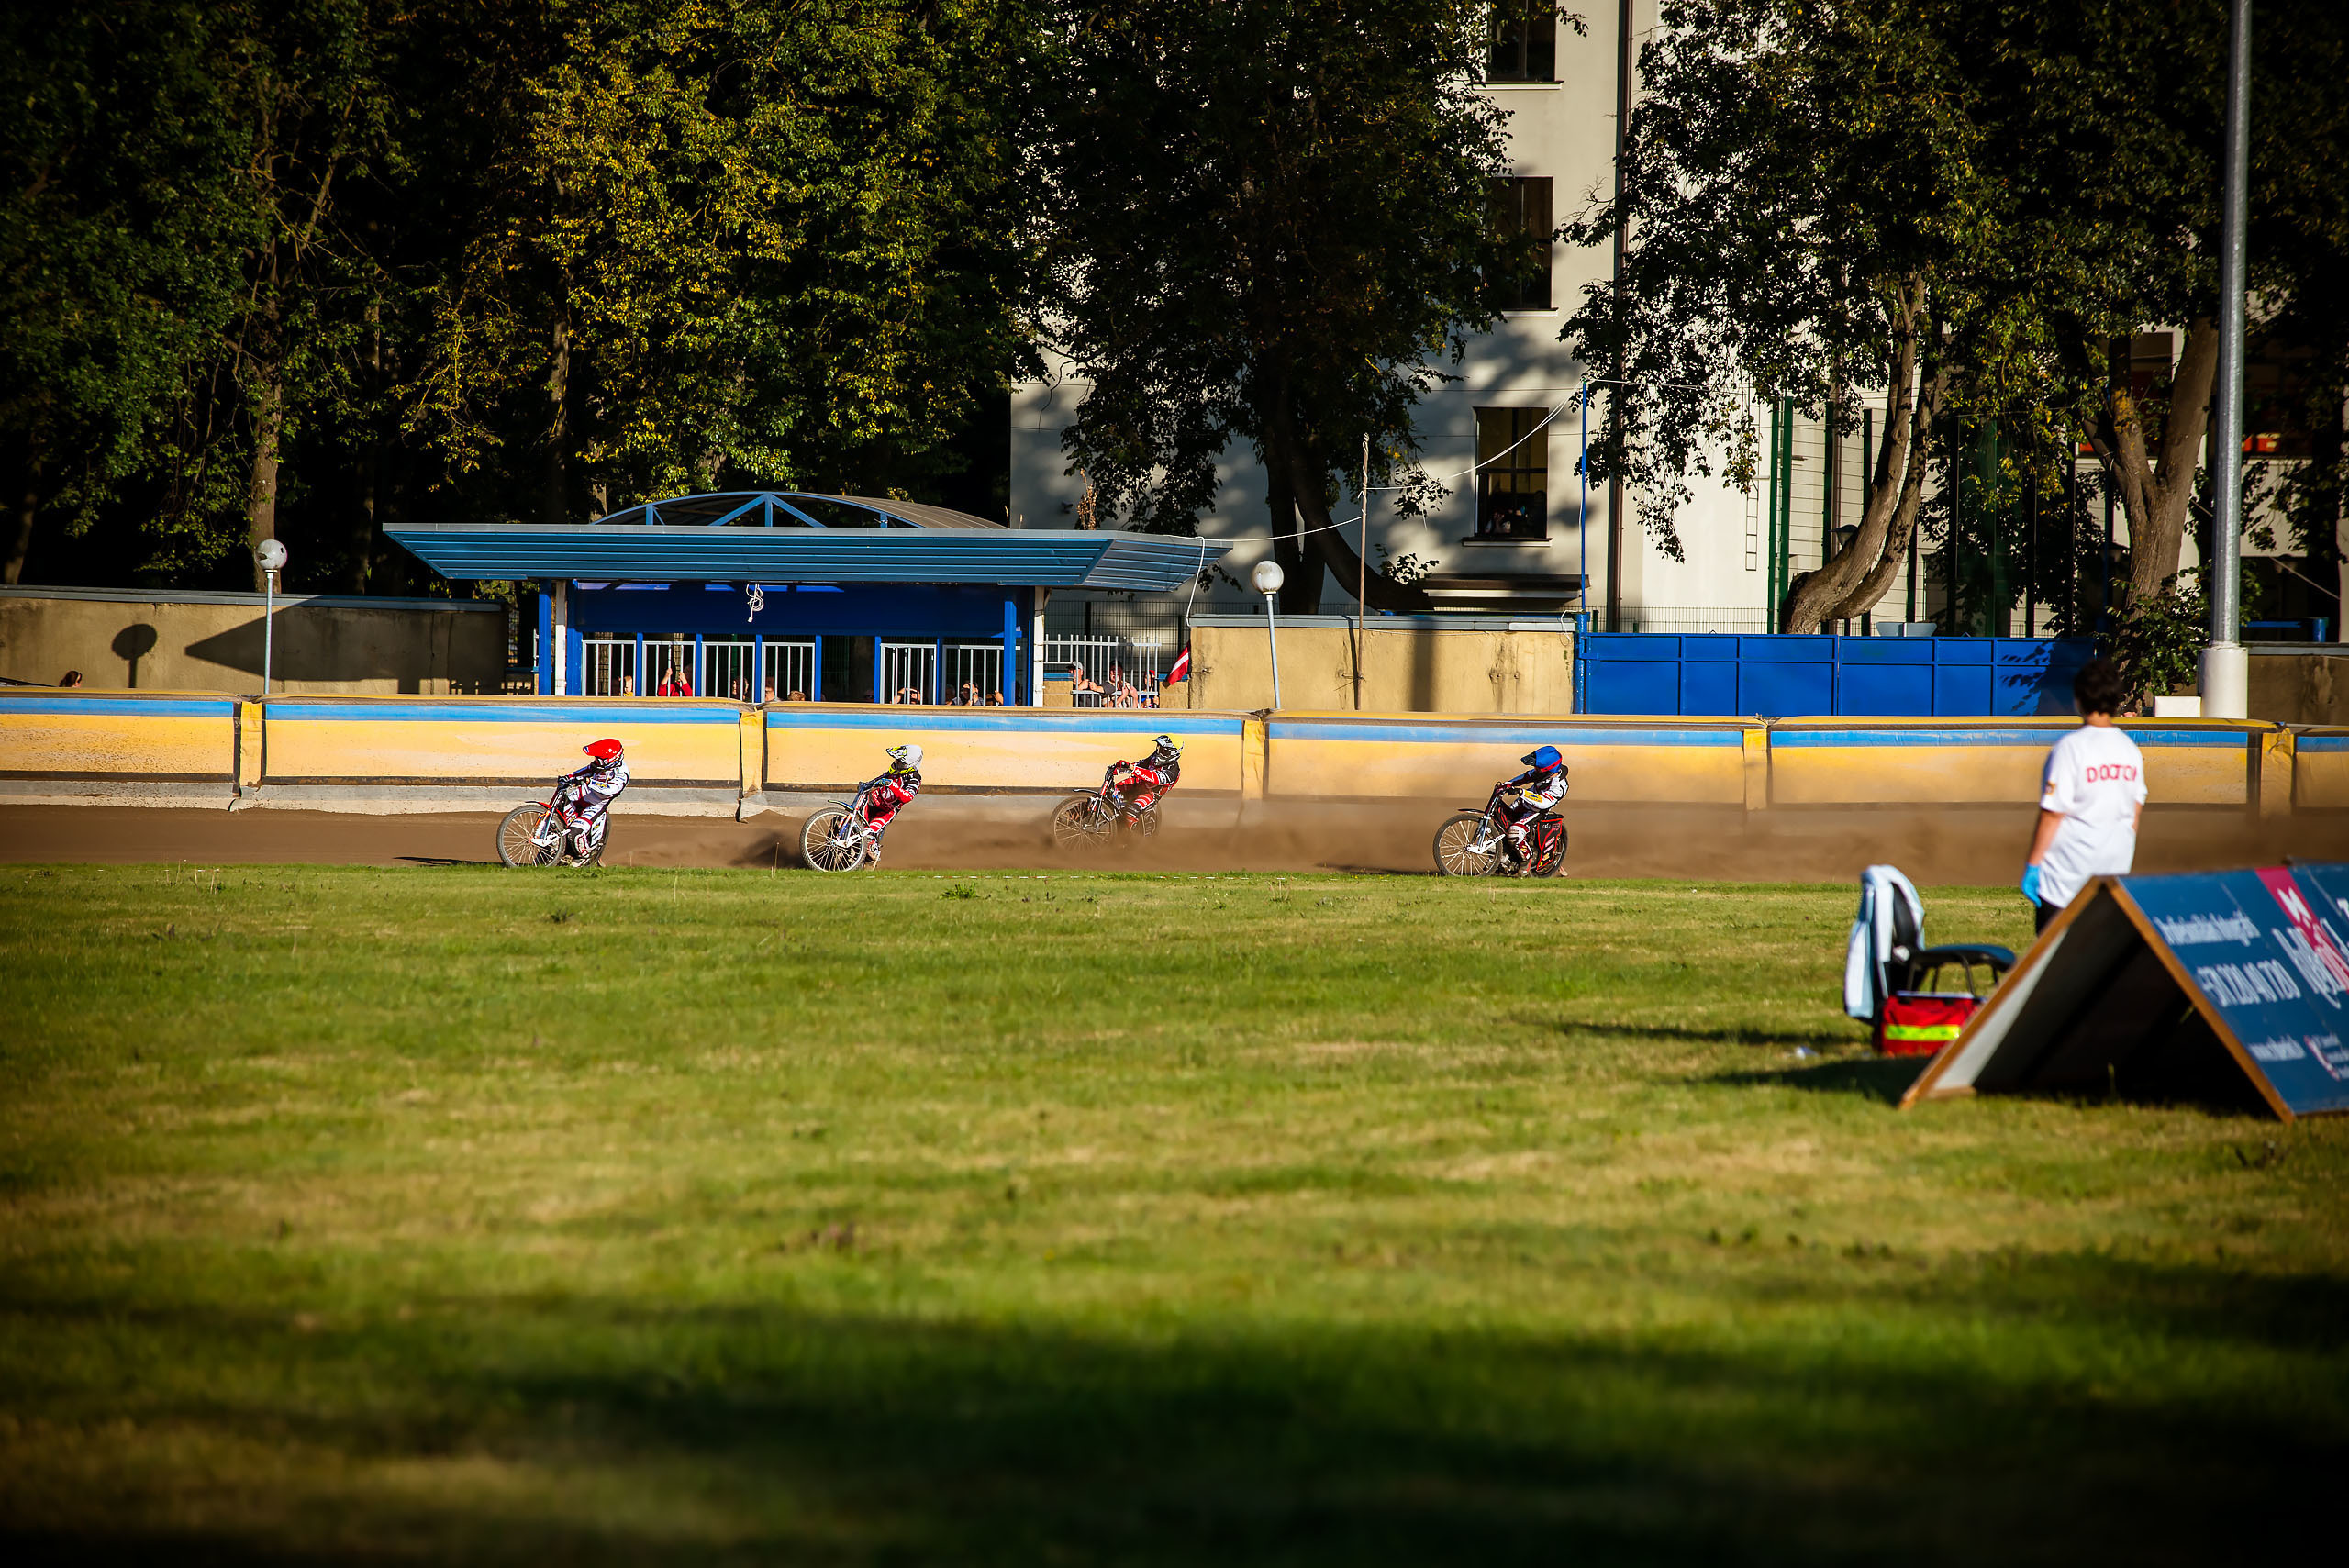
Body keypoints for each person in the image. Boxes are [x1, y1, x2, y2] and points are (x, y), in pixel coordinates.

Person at [2023, 656, 2145, 934]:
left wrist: (2033, 865)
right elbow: (2134, 813)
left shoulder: (2070, 748)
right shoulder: (2129, 750)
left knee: (2055, 952)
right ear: (2116, 701)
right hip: (2112, 873)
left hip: (2066, 878)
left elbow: (2053, 813)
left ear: (2078, 700)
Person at [1491, 745, 1569, 873]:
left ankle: (1526, 861)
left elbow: (1543, 802)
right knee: (1500, 821)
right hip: (1523, 803)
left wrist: (1522, 792)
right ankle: (1503, 859)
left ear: (1549, 769)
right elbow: (1523, 778)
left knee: (1515, 832)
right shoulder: (1540, 774)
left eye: (1538, 768)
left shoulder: (1559, 786)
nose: (1535, 770)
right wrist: (1505, 785)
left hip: (1537, 811)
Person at [556, 738, 629, 862]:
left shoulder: (621, 774)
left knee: (575, 832)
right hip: (580, 796)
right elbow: (586, 770)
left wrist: (590, 782)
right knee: (558, 814)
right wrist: (569, 777)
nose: (596, 760)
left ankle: (584, 856)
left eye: (598, 758)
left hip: (595, 805)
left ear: (609, 759)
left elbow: (611, 789)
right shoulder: (599, 765)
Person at [855, 743, 923, 865]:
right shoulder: (893, 771)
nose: (897, 763)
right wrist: (866, 784)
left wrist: (892, 785)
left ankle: (871, 856)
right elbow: (878, 779)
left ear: (910, 763)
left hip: (887, 811)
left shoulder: (914, 778)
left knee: (868, 834)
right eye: (896, 760)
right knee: (844, 821)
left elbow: (908, 797)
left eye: (900, 762)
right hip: (872, 802)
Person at [1105, 734, 1184, 824]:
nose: (1159, 752)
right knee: (1112, 791)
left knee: (1130, 813)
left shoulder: (1173, 771)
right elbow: (1141, 764)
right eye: (1159, 748)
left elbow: (1154, 777)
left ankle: (1126, 832)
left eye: (1163, 751)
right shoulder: (1155, 757)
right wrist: (1120, 768)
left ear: (1173, 753)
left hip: (1150, 794)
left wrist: (1133, 769)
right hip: (1139, 782)